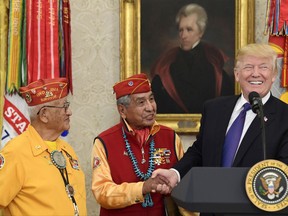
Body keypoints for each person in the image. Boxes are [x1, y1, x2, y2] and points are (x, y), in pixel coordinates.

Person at [152, 43, 288, 215]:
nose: (255, 73)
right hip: (212, 210)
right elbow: (199, 151)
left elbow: (284, 172)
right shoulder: (214, 108)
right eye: (248, 67)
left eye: (263, 67)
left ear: (274, 75)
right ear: (237, 74)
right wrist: (175, 173)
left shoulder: (284, 117)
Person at [91, 73, 197, 216]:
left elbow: (186, 183)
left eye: (151, 99)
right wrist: (142, 188)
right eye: (141, 102)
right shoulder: (105, 141)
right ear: (122, 110)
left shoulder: (169, 136)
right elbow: (101, 192)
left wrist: (173, 186)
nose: (150, 107)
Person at [0, 78, 87, 216]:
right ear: (44, 115)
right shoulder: (15, 152)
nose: (69, 112)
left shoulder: (67, 150)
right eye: (64, 106)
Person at [151, 3, 234, 114]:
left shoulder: (214, 65)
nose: (183, 35)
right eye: (181, 30)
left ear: (201, 32)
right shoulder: (166, 64)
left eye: (189, 30)